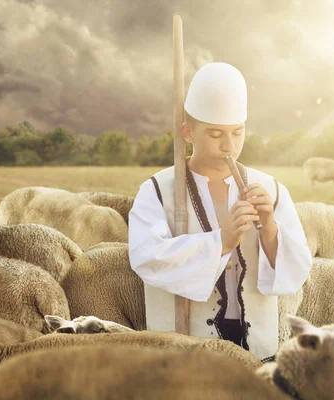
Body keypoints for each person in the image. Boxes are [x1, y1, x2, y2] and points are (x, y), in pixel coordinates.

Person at [128, 62, 312, 361]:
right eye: (215, 134)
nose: (229, 145)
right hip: (186, 354)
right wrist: (222, 242)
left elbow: (297, 271)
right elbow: (147, 257)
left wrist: (269, 229)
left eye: (237, 133)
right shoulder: (157, 190)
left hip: (258, 351)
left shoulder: (272, 189)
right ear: (187, 132)